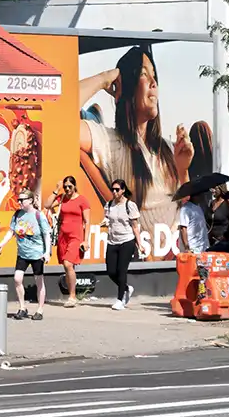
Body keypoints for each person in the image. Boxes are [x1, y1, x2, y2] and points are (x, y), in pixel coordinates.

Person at [79, 45, 195, 244]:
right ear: (128, 86)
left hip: (176, 259)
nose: (153, 83)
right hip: (143, 261)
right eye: (144, 74)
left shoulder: (168, 148)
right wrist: (104, 78)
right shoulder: (110, 142)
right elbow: (58, 112)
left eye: (154, 76)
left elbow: (185, 207)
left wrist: (183, 170)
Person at [0, 188, 52, 320]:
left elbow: (46, 234)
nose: (19, 202)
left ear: (30, 201)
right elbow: (11, 232)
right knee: (17, 278)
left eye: (22, 200)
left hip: (37, 254)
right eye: (18, 200)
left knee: (39, 281)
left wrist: (46, 252)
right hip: (23, 253)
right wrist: (1, 245)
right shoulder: (17, 214)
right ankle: (22, 307)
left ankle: (40, 310)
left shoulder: (39, 215)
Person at [47, 175, 90, 307]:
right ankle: (71, 294)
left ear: (75, 186)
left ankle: (72, 296)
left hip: (76, 236)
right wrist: (56, 190)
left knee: (68, 264)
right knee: (67, 267)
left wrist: (86, 240)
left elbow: (87, 221)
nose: (67, 189)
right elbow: (47, 205)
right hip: (63, 236)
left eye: (69, 186)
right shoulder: (62, 198)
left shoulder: (82, 200)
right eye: (65, 187)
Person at [103, 178, 143, 311]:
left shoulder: (129, 205)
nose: (114, 192)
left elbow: (135, 227)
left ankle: (120, 300)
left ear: (123, 190)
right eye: (112, 189)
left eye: (117, 189)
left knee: (122, 271)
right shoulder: (109, 205)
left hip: (127, 240)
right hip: (112, 241)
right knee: (111, 271)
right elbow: (108, 219)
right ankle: (126, 288)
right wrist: (105, 222)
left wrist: (140, 244)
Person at [176, 186, 211, 256]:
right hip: (193, 249)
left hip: (202, 248)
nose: (202, 196)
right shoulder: (186, 208)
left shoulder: (198, 208)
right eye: (201, 194)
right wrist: (187, 248)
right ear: (195, 196)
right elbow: (183, 229)